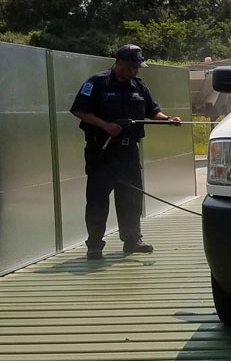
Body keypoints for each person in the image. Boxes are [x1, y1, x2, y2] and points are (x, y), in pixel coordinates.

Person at [70, 44, 181, 259]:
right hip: (101, 151)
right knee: (98, 199)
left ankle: (132, 241)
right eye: (132, 67)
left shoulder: (138, 86)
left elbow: (153, 111)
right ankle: (94, 245)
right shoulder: (97, 83)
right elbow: (78, 110)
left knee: (131, 197)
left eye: (137, 68)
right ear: (120, 63)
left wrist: (168, 119)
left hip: (128, 152)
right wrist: (106, 126)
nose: (135, 71)